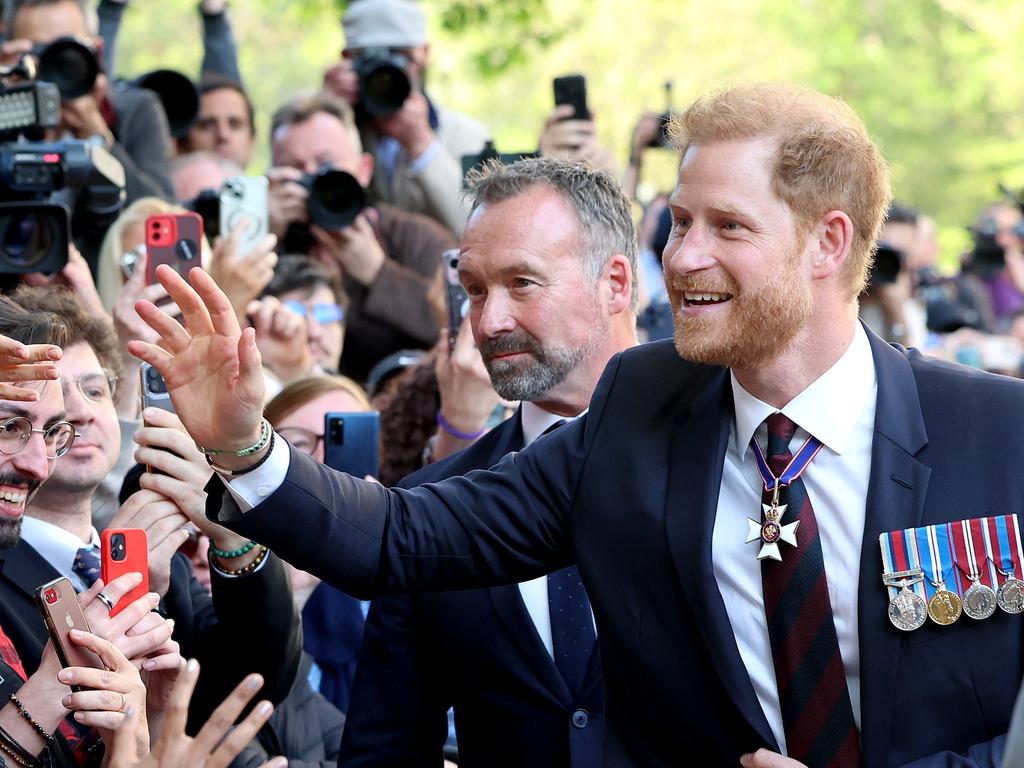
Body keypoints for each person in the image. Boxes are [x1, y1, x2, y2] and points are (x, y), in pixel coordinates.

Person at [132, 83, 1024, 766]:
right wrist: (247, 445)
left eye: (728, 226)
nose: (682, 257)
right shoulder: (638, 410)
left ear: (829, 243)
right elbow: (406, 537)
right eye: (677, 223)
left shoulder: (1000, 433)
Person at [341, 157, 637, 768]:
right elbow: (383, 749)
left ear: (615, 283)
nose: (490, 321)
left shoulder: (725, 458)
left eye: (522, 283)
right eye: (474, 289)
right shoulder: (429, 503)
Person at [0, 286, 302, 730]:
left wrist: (234, 536)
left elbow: (254, 687)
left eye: (95, 389)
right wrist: (108, 603)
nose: (81, 413)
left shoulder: (159, 549)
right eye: (11, 424)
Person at [267, 93, 456, 381]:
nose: (313, 179)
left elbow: (461, 327)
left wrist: (379, 273)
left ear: (363, 170)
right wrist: (265, 234)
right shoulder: (265, 243)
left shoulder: (416, 237)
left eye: (325, 165)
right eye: (295, 168)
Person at [323, 0, 490, 236]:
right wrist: (326, 115)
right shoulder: (335, 124)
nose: (383, 72)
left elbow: (482, 230)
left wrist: (422, 145)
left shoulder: (467, 135)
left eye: (399, 55)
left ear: (423, 54)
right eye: (367, 58)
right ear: (346, 59)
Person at [5, 0, 175, 205]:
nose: (55, 64)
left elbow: (159, 212)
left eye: (67, 48)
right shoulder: (4, 111)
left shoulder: (135, 111)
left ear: (96, 49)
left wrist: (98, 137)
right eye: (38, 51)